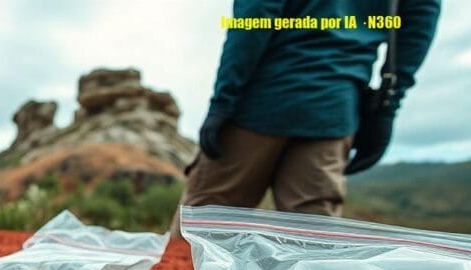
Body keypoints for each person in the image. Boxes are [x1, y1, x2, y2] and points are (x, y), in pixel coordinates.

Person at [174, 0, 439, 228]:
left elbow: (255, 16)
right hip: (333, 111)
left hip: (259, 103)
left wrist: (224, 97)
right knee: (311, 247)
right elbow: (419, 19)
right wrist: (387, 107)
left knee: (203, 230)